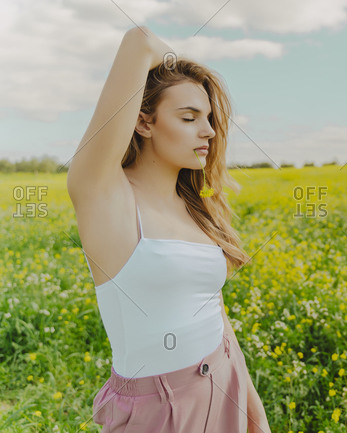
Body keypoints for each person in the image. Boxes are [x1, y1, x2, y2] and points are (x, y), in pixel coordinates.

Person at [66, 25, 271, 433]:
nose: (209, 131)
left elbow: (215, 311)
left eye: (209, 118)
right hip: (160, 409)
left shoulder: (194, 206)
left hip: (226, 378)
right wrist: (183, 69)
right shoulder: (106, 195)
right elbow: (139, 41)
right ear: (143, 123)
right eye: (189, 116)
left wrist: (256, 416)